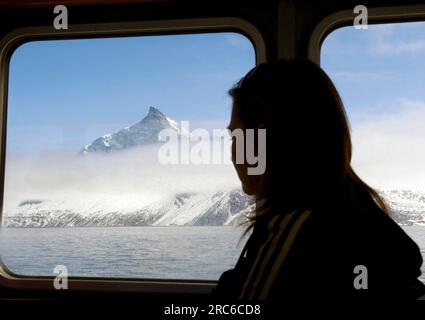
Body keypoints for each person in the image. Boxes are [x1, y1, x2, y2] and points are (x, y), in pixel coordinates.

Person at [215, 59, 425, 300]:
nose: (231, 151)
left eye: (235, 136)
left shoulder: (297, 233)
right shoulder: (361, 213)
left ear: (259, 143)